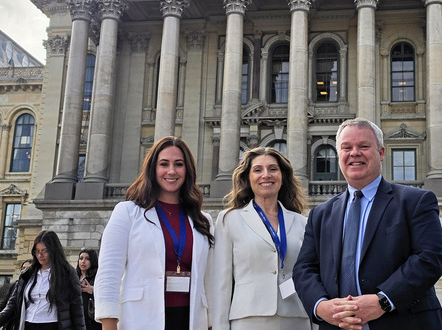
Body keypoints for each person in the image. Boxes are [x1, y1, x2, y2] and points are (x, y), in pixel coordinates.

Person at [293, 118, 442, 330]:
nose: (354, 153)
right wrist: (321, 306)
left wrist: (383, 301)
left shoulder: (415, 202)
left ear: (381, 153)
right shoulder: (320, 214)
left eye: (364, 146)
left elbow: (429, 259)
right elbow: (304, 269)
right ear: (339, 155)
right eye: (346, 148)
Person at [94, 136, 214, 330]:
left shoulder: (203, 220)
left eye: (179, 164)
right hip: (141, 318)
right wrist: (109, 325)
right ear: (153, 169)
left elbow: (209, 281)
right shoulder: (127, 212)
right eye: (164, 164)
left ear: (188, 170)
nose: (171, 171)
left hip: (191, 319)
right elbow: (109, 274)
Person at [211, 146, 313, 330]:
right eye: (258, 170)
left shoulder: (302, 223)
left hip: (297, 318)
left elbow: (310, 276)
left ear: (283, 176)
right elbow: (220, 283)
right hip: (248, 319)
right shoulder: (229, 220)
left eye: (273, 169)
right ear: (248, 178)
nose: (266, 175)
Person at [0, 230, 86, 330]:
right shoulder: (27, 274)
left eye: (44, 251)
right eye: (37, 251)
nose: (40, 255)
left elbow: (77, 312)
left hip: (53, 325)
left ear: (53, 250)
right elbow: (12, 305)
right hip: (28, 324)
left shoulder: (67, 273)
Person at [76, 249, 101, 330]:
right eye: (81, 258)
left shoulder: (98, 277)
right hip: (77, 318)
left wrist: (92, 290)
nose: (83, 261)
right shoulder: (73, 277)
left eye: (87, 259)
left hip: (92, 319)